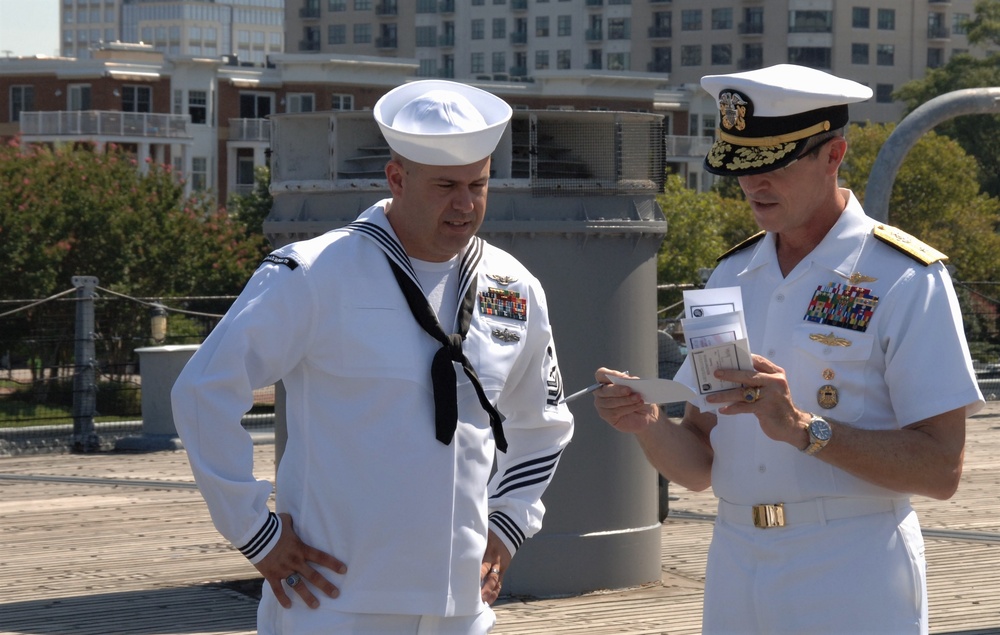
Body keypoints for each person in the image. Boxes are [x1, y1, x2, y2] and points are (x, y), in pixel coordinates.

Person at [171, 79, 574, 634]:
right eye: (446, 186)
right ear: (396, 178)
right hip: (334, 602)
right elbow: (203, 393)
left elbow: (544, 424)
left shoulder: (513, 287)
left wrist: (507, 526)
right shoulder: (313, 273)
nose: (464, 204)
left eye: (477, 185)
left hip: (460, 606)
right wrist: (255, 533)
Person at [593, 64, 983, 634]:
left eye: (773, 165)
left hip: (851, 564)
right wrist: (648, 423)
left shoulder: (904, 277)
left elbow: (941, 468)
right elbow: (700, 462)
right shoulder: (730, 274)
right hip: (735, 562)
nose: (754, 184)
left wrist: (803, 428)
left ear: (834, 155)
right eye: (741, 167)